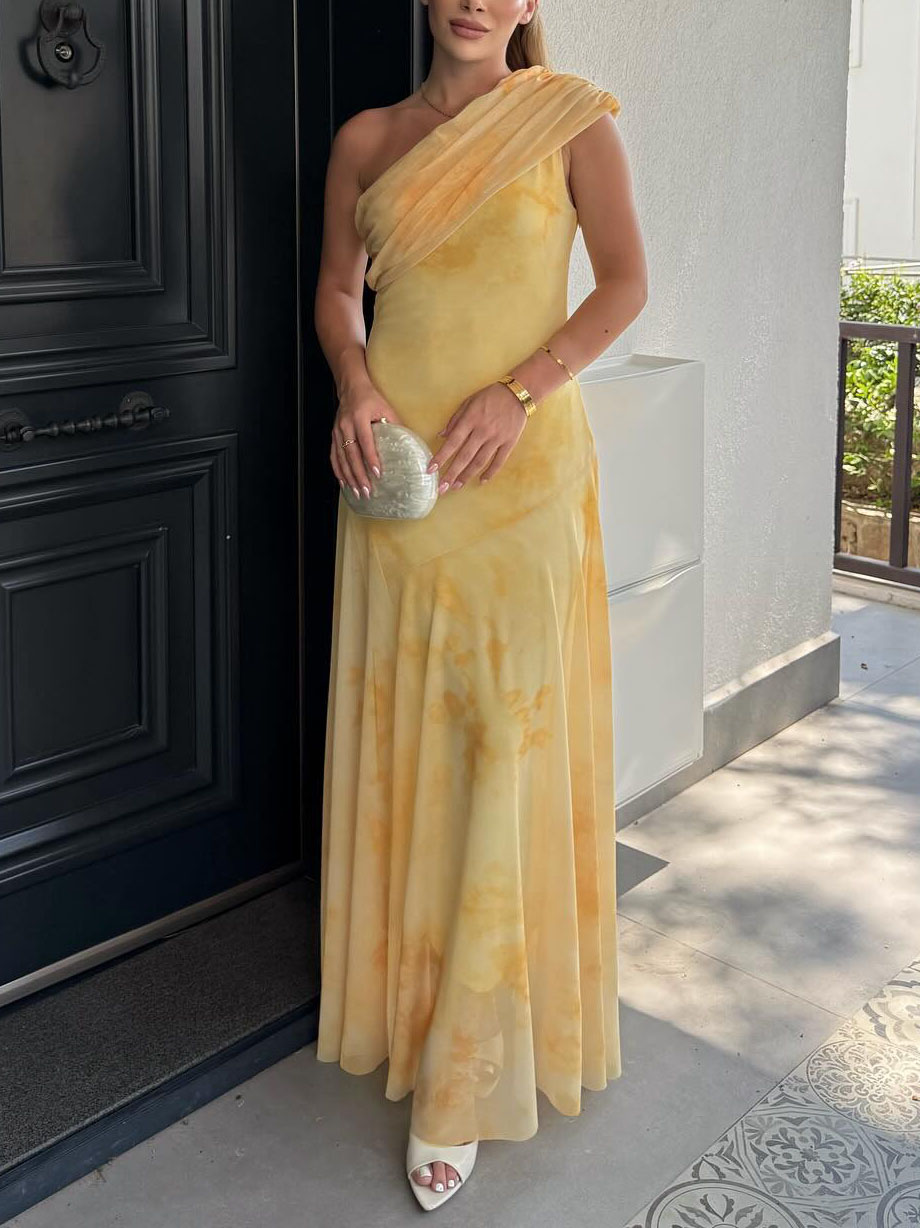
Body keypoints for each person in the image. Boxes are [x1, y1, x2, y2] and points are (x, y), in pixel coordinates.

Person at [313, 0, 647, 1211]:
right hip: (396, 479)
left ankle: (459, 1076)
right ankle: (411, 1009)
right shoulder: (366, 138)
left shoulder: (568, 119)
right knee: (412, 744)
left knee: (504, 745)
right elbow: (337, 291)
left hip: (518, 479)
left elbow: (623, 285)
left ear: (526, 5)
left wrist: (522, 389)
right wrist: (353, 386)